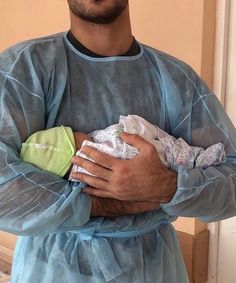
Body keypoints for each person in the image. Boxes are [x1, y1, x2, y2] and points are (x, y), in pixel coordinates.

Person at [0, 1, 236, 282]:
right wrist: (105, 203)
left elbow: (231, 177)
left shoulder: (177, 80)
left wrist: (166, 186)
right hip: (51, 270)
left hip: (155, 270)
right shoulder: (23, 71)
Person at [20, 114, 226, 179]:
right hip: (146, 156)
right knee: (172, 156)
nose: (79, 132)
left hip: (144, 142)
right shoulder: (86, 164)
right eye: (74, 137)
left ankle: (195, 158)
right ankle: (197, 159)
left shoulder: (95, 139)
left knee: (169, 149)